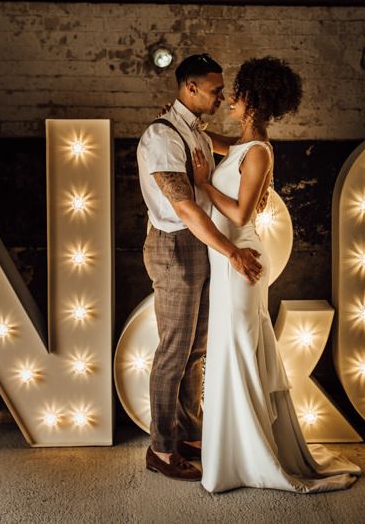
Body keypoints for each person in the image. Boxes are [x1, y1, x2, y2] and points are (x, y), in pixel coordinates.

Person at [192, 56, 361, 493]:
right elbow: (225, 146)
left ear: (253, 101)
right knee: (231, 350)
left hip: (241, 262)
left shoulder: (259, 151)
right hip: (229, 261)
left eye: (238, 93)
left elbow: (240, 210)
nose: (230, 97)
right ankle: (235, 452)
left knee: (239, 350)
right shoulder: (245, 145)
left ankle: (251, 456)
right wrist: (185, 127)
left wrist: (203, 184)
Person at [136, 53, 262, 481]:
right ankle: (161, 449)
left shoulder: (195, 132)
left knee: (196, 351)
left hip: (201, 245)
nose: (221, 97)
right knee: (173, 351)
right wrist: (232, 251)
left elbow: (231, 149)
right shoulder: (162, 136)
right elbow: (186, 207)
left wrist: (257, 136)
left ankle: (189, 433)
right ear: (189, 88)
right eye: (214, 90)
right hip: (175, 246)